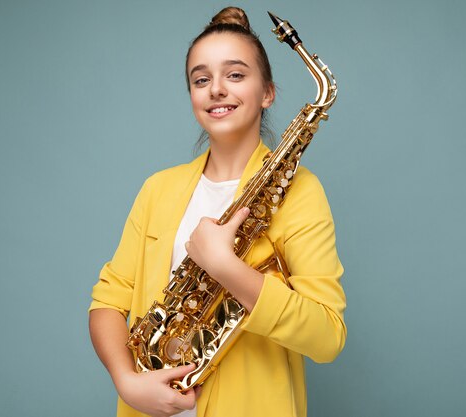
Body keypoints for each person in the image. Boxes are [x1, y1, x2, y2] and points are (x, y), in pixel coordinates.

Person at [89, 6, 346, 417]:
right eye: (201, 79)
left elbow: (328, 337)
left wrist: (224, 266)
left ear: (268, 92)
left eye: (236, 75)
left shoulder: (301, 191)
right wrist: (126, 382)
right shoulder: (158, 188)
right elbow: (107, 300)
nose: (216, 89)